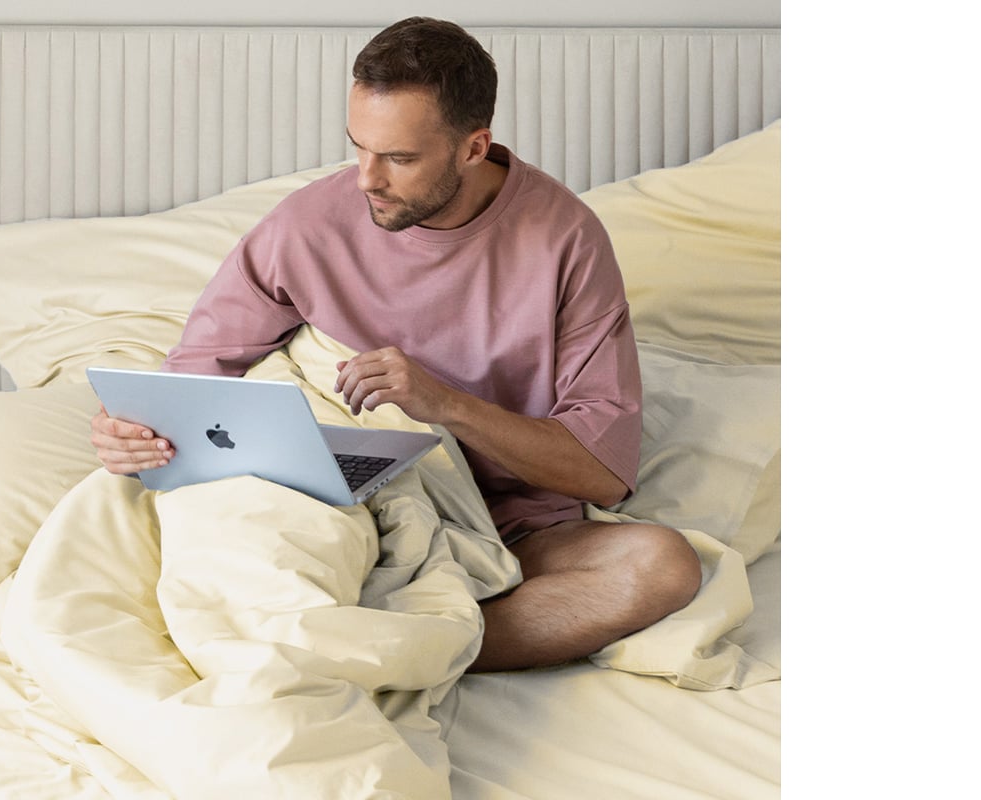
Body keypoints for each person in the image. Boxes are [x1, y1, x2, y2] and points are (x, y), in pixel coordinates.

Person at [90, 17, 702, 672]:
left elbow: (602, 473)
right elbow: (191, 387)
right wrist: (130, 430)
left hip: (512, 530)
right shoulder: (307, 225)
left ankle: (391, 651)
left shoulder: (565, 239)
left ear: (473, 148)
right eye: (359, 148)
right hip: (358, 508)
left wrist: (445, 403)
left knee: (663, 566)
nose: (367, 179)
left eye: (400, 159)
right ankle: (389, 643)